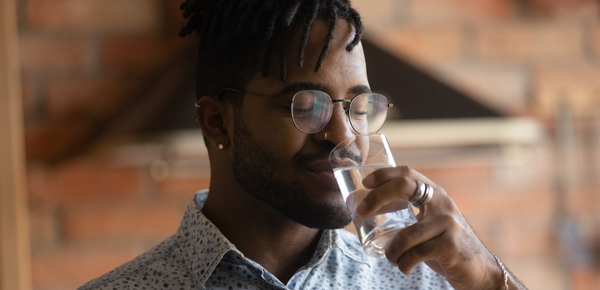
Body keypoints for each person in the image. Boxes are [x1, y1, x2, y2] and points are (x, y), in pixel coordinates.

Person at [79, 0, 528, 289]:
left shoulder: (416, 281)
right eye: (305, 105)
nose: (343, 135)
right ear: (217, 122)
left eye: (357, 107)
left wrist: (485, 273)